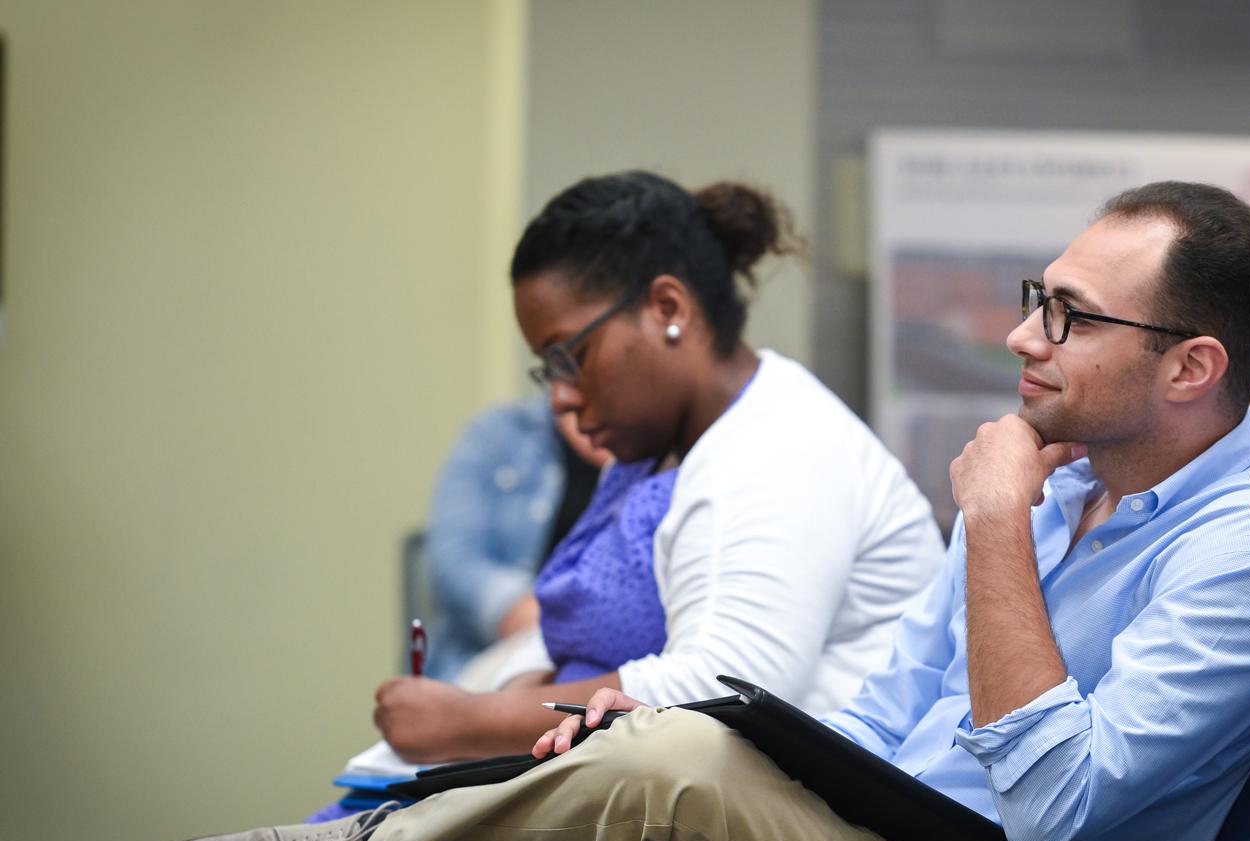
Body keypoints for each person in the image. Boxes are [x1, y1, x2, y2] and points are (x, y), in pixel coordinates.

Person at [136, 180, 1250, 841]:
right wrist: (790, 768)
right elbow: (879, 717)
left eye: (1070, 315)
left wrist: (986, 528)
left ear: (1188, 366)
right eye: (1040, 296)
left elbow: (1051, 808)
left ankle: (358, 839)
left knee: (679, 748)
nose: (1024, 336)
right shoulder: (1047, 483)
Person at [364, 173, 940, 767]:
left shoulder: (778, 446)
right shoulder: (675, 452)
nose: (559, 396)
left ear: (668, 309)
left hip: (832, 828)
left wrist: (473, 721)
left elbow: (727, 692)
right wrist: (523, 687)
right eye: (547, 369)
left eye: (571, 356)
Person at [418, 397, 607, 682]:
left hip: (607, 663)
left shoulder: (658, 457)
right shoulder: (499, 433)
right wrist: (542, 619)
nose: (564, 392)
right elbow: (455, 561)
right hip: (505, 649)